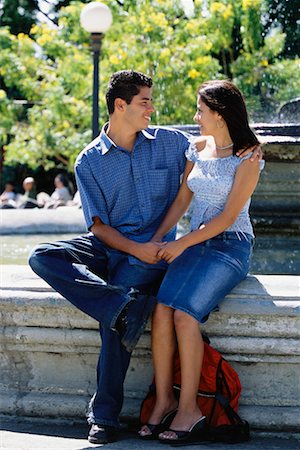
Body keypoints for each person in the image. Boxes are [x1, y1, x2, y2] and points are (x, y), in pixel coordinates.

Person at [28, 71, 261, 445]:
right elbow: (98, 227)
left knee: (119, 309)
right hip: (115, 245)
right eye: (145, 102)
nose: (153, 109)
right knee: (42, 256)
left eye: (151, 101)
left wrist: (248, 145)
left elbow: (218, 144)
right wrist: (137, 246)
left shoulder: (172, 143)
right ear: (121, 106)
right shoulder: (89, 161)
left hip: (155, 253)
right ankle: (121, 307)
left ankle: (103, 415)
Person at [138, 80, 264, 444]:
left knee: (184, 315)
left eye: (201, 111)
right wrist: (160, 238)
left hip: (230, 246)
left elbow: (226, 218)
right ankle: (164, 402)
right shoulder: (198, 149)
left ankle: (190, 409)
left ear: (221, 114)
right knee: (160, 312)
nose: (196, 117)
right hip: (195, 245)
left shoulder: (249, 156)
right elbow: (181, 202)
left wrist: (181, 246)